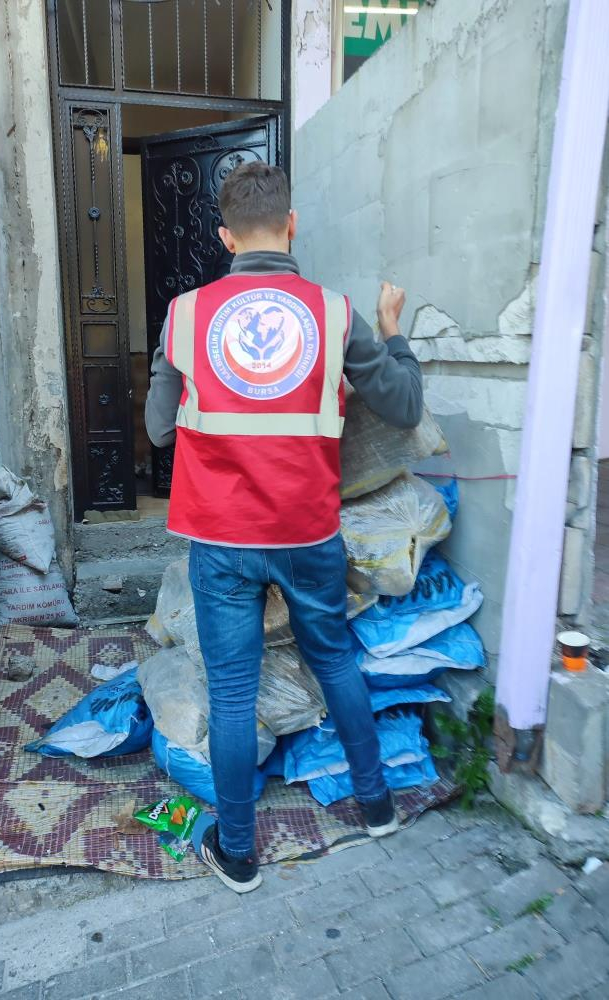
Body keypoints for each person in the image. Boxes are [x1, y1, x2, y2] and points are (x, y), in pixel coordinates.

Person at [145, 162, 423, 894]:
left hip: (222, 539)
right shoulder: (335, 314)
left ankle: (238, 853)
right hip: (307, 532)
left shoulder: (185, 315)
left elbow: (158, 431)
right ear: (292, 225)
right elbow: (403, 406)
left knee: (233, 693)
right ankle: (377, 807)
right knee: (335, 662)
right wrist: (393, 333)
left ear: (225, 237)